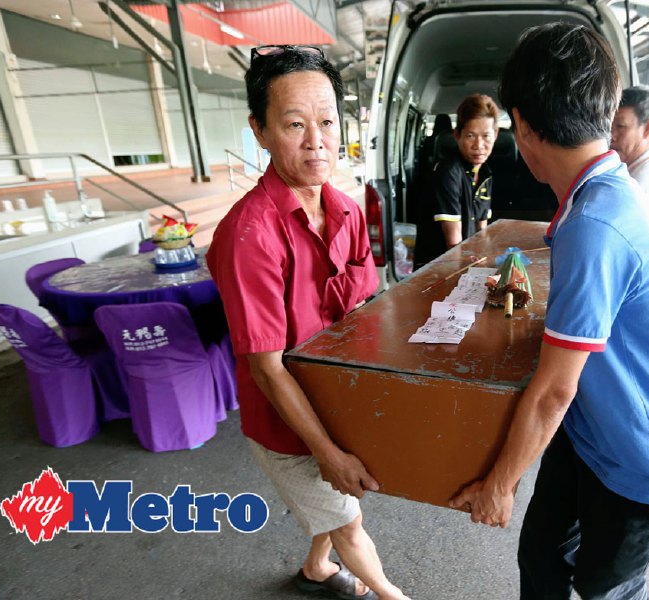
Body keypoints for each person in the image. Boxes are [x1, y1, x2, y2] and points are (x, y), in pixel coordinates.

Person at [450, 23, 649, 600]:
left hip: (638, 461)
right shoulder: (597, 191)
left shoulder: (596, 223)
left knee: (603, 589)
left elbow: (553, 391)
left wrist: (499, 485)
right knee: (541, 556)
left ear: (523, 127)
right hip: (591, 431)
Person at [207, 45, 409, 600]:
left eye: (326, 121)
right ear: (260, 129)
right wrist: (329, 452)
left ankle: (317, 568)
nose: (316, 140)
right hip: (289, 425)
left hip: (337, 401)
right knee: (348, 519)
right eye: (295, 124)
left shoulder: (346, 208)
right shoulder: (249, 235)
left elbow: (365, 306)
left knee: (335, 500)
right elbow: (269, 370)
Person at [414, 94, 499, 268]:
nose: (479, 145)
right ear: (457, 135)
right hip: (438, 267)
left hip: (462, 260)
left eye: (486, 136)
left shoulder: (485, 173)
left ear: (496, 135)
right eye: (470, 136)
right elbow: (453, 243)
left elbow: (481, 230)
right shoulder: (448, 172)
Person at [610, 84, 649, 208]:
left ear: (647, 129)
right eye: (610, 126)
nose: (611, 136)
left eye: (620, 126)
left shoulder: (645, 183)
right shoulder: (635, 166)